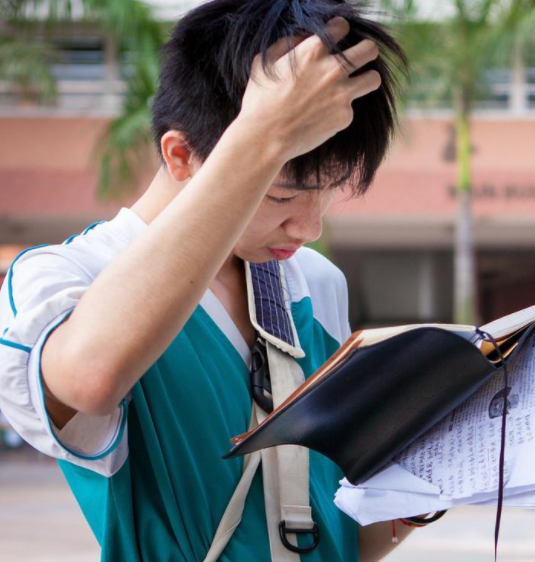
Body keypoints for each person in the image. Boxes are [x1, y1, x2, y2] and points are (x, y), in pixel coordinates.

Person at [0, 2, 416, 561]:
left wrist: (422, 487)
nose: (309, 227)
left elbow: (330, 535)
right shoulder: (64, 278)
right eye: (282, 194)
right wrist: (264, 133)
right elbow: (90, 378)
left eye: (330, 190)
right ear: (180, 155)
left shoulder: (312, 282)